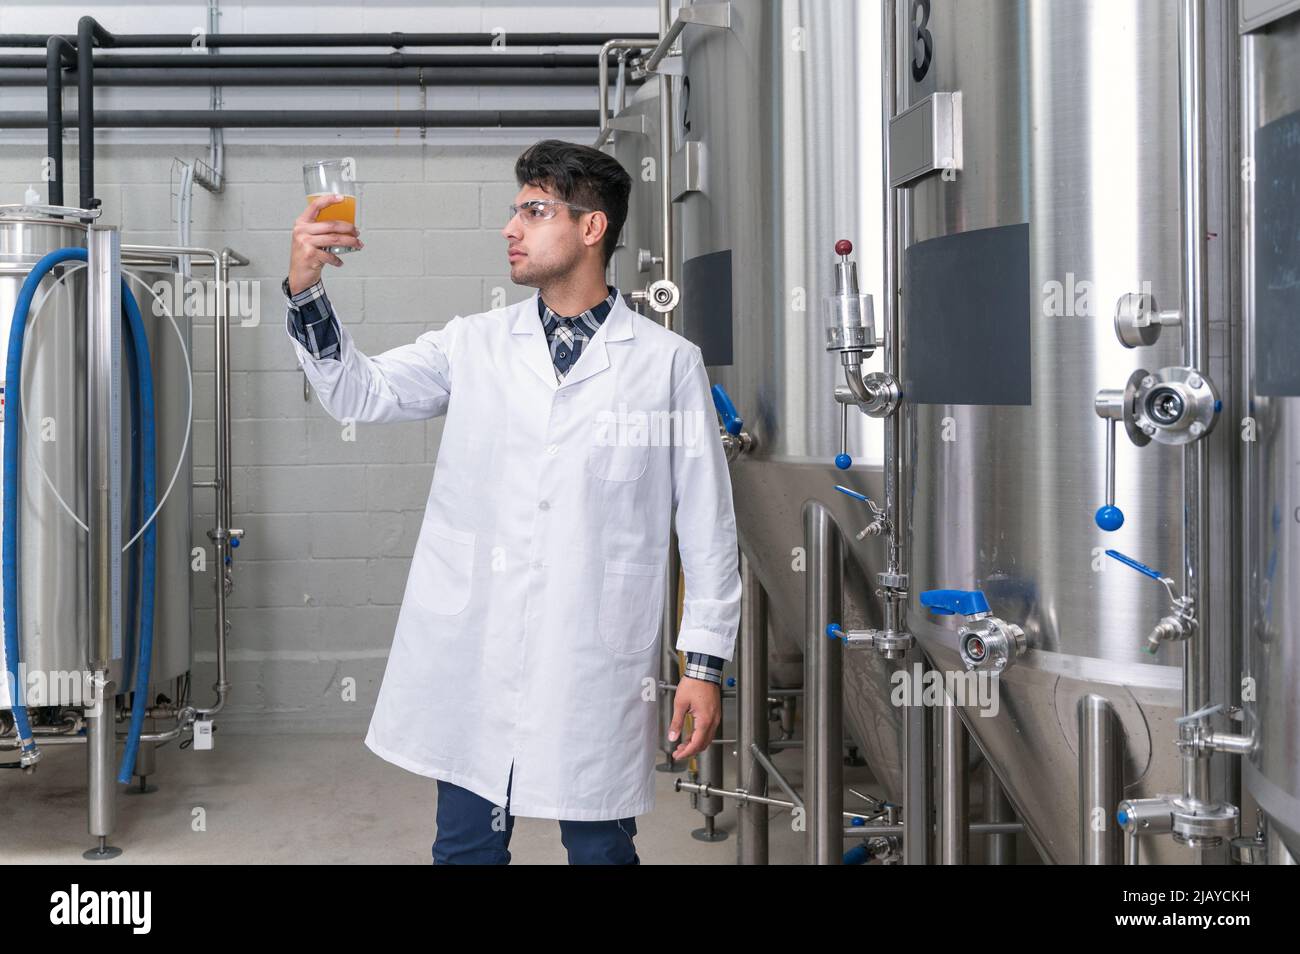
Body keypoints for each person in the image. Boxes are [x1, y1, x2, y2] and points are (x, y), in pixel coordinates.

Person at [284, 139, 741, 864]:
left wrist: (705, 667)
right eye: (513, 210)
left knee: (599, 848)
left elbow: (709, 526)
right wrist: (306, 287)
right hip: (478, 652)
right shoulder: (473, 344)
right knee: (465, 847)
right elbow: (357, 390)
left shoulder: (666, 364)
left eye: (534, 210)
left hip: (592, 654)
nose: (510, 228)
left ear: (592, 228)